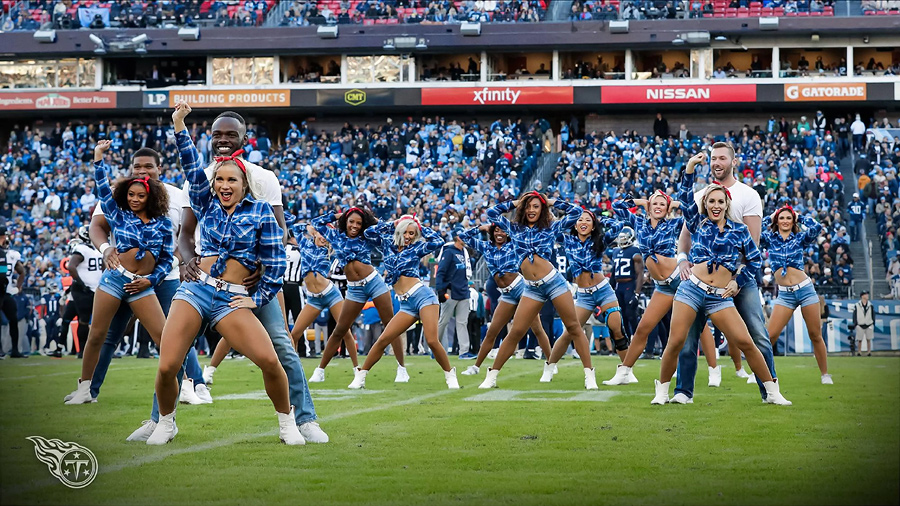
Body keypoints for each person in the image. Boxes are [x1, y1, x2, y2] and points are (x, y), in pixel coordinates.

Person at [130, 107, 327, 444]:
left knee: (279, 345)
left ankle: (303, 418)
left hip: (249, 282)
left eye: (230, 134)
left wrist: (262, 270)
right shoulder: (203, 180)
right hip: (203, 283)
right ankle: (159, 419)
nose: (222, 140)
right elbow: (186, 234)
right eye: (217, 134)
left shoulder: (263, 178)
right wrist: (188, 260)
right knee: (173, 351)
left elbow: (279, 232)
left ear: (243, 138)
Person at [652, 153, 791, 406]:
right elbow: (684, 198)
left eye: (720, 201)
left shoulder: (739, 231)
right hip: (691, 290)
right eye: (711, 201)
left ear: (727, 204)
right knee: (676, 342)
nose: (715, 205)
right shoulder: (698, 223)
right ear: (705, 204)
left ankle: (772, 391)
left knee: (746, 342)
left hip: (719, 297)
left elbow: (755, 260)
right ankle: (664, 392)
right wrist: (690, 168)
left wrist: (738, 281)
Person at [84, 145, 211, 407]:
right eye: (137, 167)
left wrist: (156, 275)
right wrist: (107, 249)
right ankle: (87, 389)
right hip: (118, 278)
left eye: (148, 166)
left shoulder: (175, 199)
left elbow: (179, 243)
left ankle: (189, 384)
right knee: (105, 335)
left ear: (159, 169)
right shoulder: (120, 204)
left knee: (171, 335)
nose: (142, 171)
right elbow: (99, 212)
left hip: (162, 280)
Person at [65, 139, 174, 405]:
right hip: (115, 280)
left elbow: (167, 260)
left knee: (164, 338)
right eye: (131, 195)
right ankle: (85, 388)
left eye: (141, 196)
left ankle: (169, 391)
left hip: (142, 285)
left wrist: (151, 279)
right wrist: (98, 158)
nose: (135, 199)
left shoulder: (163, 225)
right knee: (97, 333)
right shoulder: (119, 214)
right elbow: (103, 190)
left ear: (151, 197)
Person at [479, 191, 598, 389]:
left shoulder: (550, 227)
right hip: (531, 288)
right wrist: (519, 201)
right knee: (516, 331)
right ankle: (492, 376)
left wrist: (548, 201)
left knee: (574, 327)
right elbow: (492, 213)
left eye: (536, 206)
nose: (532, 210)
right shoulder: (514, 229)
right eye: (528, 206)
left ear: (542, 209)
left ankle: (589, 375)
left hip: (554, 283)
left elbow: (577, 212)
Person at [604, 192, 720, 386]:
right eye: (654, 204)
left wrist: (672, 203)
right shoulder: (639, 222)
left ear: (667, 209)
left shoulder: (672, 224)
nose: (658, 207)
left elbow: (696, 212)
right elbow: (616, 206)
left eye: (662, 204)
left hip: (680, 279)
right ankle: (625, 371)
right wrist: (643, 202)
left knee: (698, 325)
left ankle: (713, 370)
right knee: (643, 328)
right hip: (662, 286)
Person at [347, 215, 460, 389]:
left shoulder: (417, 247)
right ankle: (361, 376)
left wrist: (421, 227)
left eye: (412, 234)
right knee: (383, 339)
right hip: (406, 304)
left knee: (431, 340)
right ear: (399, 231)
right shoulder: (387, 244)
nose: (408, 236)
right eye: (405, 232)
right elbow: (369, 232)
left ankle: (450, 374)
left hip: (423, 297)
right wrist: (391, 224)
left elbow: (437, 241)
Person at [311, 207, 407, 382]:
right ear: (345, 222)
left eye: (359, 223)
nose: (355, 226)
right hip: (354, 289)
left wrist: (371, 218)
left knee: (390, 324)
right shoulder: (335, 236)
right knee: (340, 328)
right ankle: (320, 370)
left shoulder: (367, 235)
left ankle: (401, 368)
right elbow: (316, 222)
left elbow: (389, 228)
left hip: (374, 283)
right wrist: (342, 214)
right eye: (351, 221)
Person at [542, 207, 630, 384]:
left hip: (603, 290)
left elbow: (620, 225)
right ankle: (549, 367)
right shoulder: (567, 240)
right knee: (569, 333)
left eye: (588, 220)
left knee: (616, 327)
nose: (583, 223)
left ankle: (626, 370)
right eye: (580, 220)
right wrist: (565, 215)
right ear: (574, 224)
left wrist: (601, 220)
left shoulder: (601, 240)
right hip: (583, 295)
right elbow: (552, 228)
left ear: (593, 225)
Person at [458, 223, 553, 377]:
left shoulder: (514, 245)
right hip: (506, 294)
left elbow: (524, 233)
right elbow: (462, 237)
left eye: (503, 230)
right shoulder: (486, 247)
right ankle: (475, 367)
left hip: (521, 289)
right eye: (496, 231)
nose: (499, 234)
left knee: (537, 328)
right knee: (492, 331)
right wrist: (481, 228)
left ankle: (551, 363)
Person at [761, 206, 831, 384]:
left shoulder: (800, 238)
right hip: (785, 295)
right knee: (770, 336)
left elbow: (816, 227)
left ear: (793, 222)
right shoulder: (769, 238)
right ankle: (762, 373)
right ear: (777, 221)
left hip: (805, 290)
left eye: (788, 218)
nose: (785, 221)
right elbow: (753, 231)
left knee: (815, 334)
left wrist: (799, 216)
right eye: (781, 218)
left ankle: (825, 374)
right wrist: (770, 217)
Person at [296, 223, 361, 383]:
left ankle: (357, 370)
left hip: (331, 294)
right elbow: (294, 227)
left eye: (327, 235)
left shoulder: (330, 252)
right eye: (322, 234)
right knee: (295, 333)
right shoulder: (304, 244)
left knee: (345, 331)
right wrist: (309, 227)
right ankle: (292, 371)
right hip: (313, 298)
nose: (324, 238)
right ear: (316, 234)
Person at [53, 226, 102, 358]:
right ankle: (74, 350)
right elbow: (71, 267)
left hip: (92, 289)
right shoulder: (82, 250)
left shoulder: (95, 250)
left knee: (94, 321)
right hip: (82, 291)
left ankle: (84, 350)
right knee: (79, 321)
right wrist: (81, 285)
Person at [435, 229, 473, 358]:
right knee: (443, 321)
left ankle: (464, 351)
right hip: (450, 291)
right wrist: (440, 290)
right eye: (462, 235)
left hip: (463, 291)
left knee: (462, 322)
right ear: (456, 237)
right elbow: (440, 271)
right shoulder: (449, 252)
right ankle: (435, 347)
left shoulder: (465, 253)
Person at [610, 226, 643, 341]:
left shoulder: (635, 251)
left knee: (631, 314)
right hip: (619, 287)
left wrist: (637, 293)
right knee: (622, 315)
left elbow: (640, 273)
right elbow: (613, 273)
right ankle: (628, 340)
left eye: (624, 237)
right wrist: (610, 289)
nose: (622, 239)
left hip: (629, 285)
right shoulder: (615, 251)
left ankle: (637, 338)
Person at [0, 226, 26, 358]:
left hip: (7, 291)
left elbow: (22, 272)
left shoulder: (11, 255)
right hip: (4, 289)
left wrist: (18, 287)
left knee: (13, 320)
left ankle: (15, 350)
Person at [851, 291, 874, 356]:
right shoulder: (857, 305)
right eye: (866, 295)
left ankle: (869, 352)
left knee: (868, 339)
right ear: (862, 296)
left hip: (869, 323)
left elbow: (873, 314)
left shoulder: (870, 305)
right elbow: (854, 315)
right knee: (859, 339)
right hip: (860, 324)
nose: (867, 296)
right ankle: (859, 352)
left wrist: (872, 322)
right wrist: (855, 323)